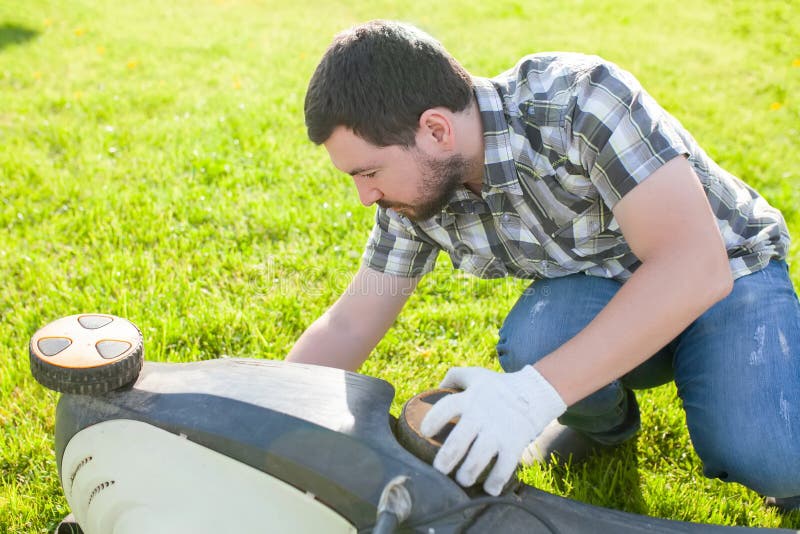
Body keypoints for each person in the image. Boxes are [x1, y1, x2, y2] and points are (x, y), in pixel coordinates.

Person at [286, 19, 800, 507]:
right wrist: (263, 414)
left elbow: (694, 265)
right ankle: (602, 429)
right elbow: (351, 321)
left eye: (369, 171)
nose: (363, 196)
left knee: (776, 460)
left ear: (436, 130)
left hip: (732, 277)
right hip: (609, 293)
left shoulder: (579, 100)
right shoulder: (417, 196)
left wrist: (530, 397)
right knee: (535, 337)